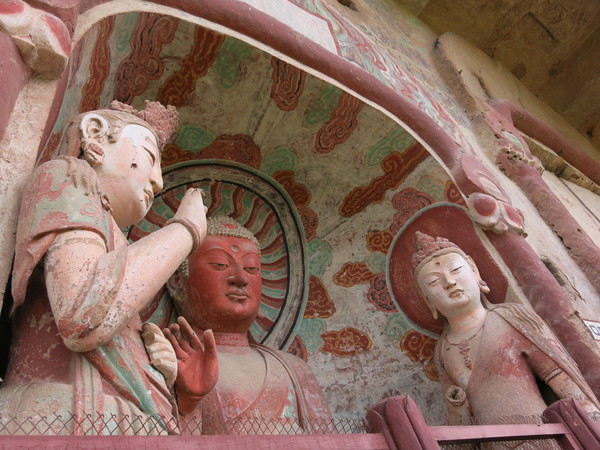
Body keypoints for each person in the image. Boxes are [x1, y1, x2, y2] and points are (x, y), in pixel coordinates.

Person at [0, 100, 207, 435]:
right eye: (149, 157)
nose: (158, 182)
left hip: (116, 415)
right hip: (65, 411)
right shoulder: (68, 177)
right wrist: (185, 230)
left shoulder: (110, 230)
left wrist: (155, 366)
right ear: (95, 135)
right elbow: (82, 315)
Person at [147, 216, 332, 434]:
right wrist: (188, 402)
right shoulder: (162, 360)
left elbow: (328, 441)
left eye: (251, 268)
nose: (240, 278)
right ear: (177, 280)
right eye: (220, 264)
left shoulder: (295, 370)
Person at [412, 231, 600, 426]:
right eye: (433, 282)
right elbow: (461, 426)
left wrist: (592, 420)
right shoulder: (443, 350)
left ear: (474, 271)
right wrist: (457, 405)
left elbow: (561, 378)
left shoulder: (510, 316)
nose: (450, 282)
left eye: (456, 269)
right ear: (427, 299)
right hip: (490, 439)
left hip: (539, 435)